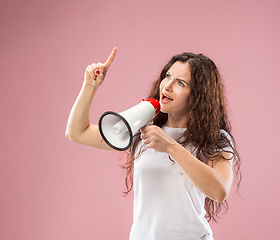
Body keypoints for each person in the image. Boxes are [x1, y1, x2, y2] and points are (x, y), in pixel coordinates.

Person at [65, 47, 242, 240]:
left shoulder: (215, 139)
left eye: (180, 83)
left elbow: (219, 191)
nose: (167, 86)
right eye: (168, 76)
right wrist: (90, 86)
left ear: (198, 96)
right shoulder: (141, 127)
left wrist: (171, 147)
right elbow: (76, 132)